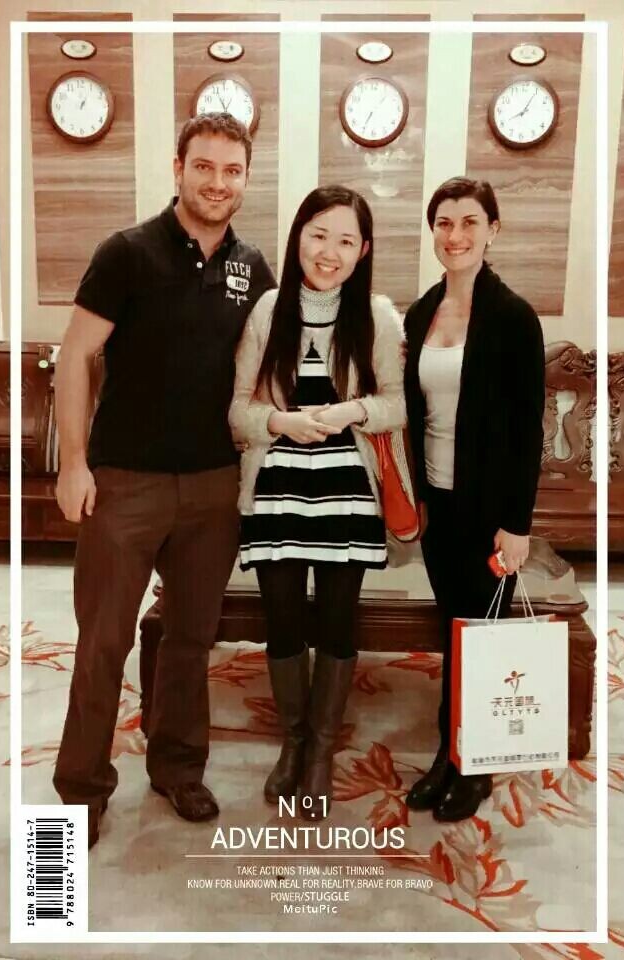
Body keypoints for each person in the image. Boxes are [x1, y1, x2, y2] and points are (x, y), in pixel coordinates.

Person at [52, 113, 276, 848]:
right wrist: (75, 462)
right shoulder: (126, 253)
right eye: (204, 166)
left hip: (213, 487)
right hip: (125, 483)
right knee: (104, 641)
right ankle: (82, 788)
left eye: (232, 170)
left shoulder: (254, 267)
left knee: (189, 639)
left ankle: (178, 767)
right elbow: (76, 357)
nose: (218, 182)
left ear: (246, 178)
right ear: (178, 167)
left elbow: (267, 370)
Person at [229, 185, 406, 821]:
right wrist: (280, 422)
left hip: (347, 495)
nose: (329, 252)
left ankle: (322, 751)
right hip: (276, 491)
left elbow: (397, 404)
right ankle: (294, 742)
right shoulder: (268, 309)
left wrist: (349, 411)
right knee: (282, 621)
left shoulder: (377, 315)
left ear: (363, 250)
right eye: (318, 235)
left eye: (345, 240)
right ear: (298, 237)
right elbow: (238, 410)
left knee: (335, 621)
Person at [403, 177, 545, 822]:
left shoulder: (512, 317)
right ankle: (448, 752)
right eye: (443, 223)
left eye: (468, 222)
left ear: (493, 230)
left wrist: (517, 524)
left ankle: (475, 766)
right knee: (451, 630)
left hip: (491, 514)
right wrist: (416, 495)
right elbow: (415, 413)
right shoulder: (421, 312)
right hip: (439, 503)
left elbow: (526, 430)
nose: (455, 235)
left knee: (482, 638)